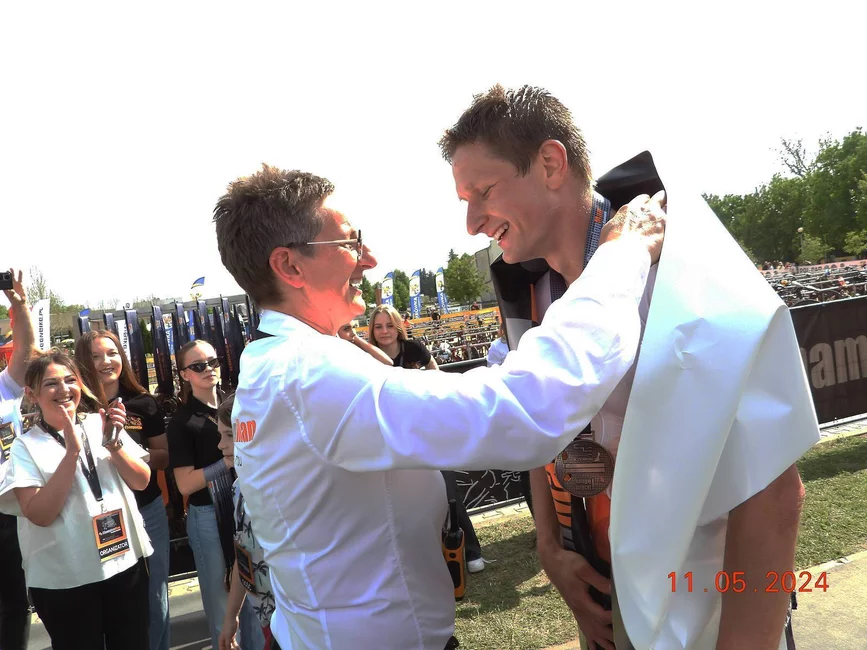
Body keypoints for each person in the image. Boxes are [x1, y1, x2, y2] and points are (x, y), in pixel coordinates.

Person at [213, 164, 664, 649]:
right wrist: (623, 253)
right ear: (289, 266)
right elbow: (526, 408)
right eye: (349, 242)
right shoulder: (309, 375)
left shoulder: (279, 365)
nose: (369, 258)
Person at [439, 84, 815, 649]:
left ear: (550, 164)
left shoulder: (680, 274)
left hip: (701, 610)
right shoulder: (530, 290)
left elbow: (773, 493)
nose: (471, 222)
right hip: (606, 594)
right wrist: (551, 547)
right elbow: (543, 423)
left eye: (483, 192)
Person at [0, 349, 152, 650]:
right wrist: (71, 454)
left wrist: (114, 444)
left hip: (124, 564)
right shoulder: (24, 447)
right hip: (65, 579)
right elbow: (39, 514)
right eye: (51, 383)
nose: (63, 389)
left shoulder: (99, 423)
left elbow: (141, 481)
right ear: (31, 394)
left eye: (70, 380)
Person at [75, 330, 172, 650]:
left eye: (112, 353)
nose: (106, 361)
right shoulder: (77, 407)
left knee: (155, 598)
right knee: (115, 604)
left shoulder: (144, 402)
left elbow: (164, 457)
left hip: (147, 511)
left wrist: (129, 452)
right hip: (102, 517)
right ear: (83, 361)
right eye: (96, 356)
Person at [167, 340, 262, 650]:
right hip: (209, 515)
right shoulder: (183, 422)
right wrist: (227, 461)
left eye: (213, 361)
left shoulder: (237, 403)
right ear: (184, 374)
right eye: (198, 366)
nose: (208, 369)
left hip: (248, 507)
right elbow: (184, 484)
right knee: (223, 606)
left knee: (255, 598)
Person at [217, 392, 278, 650]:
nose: (221, 445)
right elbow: (243, 555)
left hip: (290, 617)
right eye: (220, 436)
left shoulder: (279, 490)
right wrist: (231, 616)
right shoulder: (238, 488)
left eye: (229, 435)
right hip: (265, 615)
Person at [0, 269, 35, 650]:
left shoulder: (5, 386)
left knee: (14, 604)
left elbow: (25, 350)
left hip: (10, 510)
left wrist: (19, 306)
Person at [368, 304, 438, 370]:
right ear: (372, 330)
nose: (384, 331)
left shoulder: (415, 347)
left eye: (390, 326)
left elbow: (432, 365)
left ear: (398, 327)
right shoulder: (366, 357)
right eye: (378, 327)